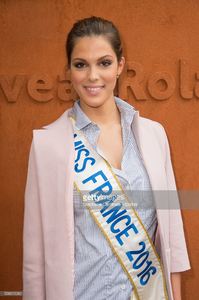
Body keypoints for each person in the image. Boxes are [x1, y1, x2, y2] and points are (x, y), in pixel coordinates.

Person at [23, 16, 191, 300]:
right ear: (69, 70)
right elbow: (34, 260)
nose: (92, 76)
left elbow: (172, 235)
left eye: (104, 62)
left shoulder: (153, 136)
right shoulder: (47, 146)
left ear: (120, 66)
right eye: (81, 65)